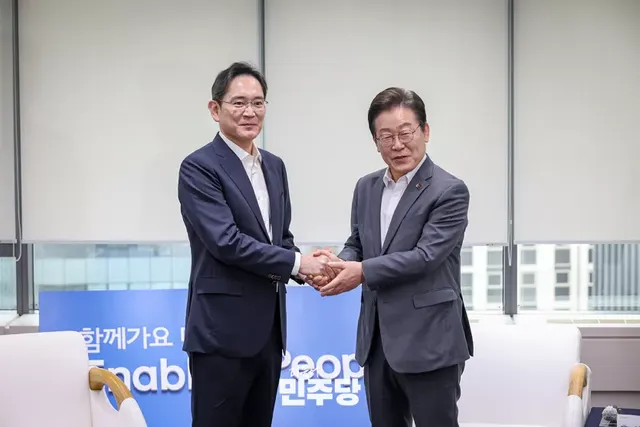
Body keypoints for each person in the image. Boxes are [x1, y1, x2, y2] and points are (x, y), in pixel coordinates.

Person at [178, 61, 332, 427]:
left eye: (258, 102)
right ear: (215, 109)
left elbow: (280, 238)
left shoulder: (274, 166)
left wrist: (308, 266)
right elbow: (226, 242)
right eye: (239, 102)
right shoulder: (199, 167)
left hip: (269, 333)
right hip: (220, 333)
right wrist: (299, 264)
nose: (250, 112)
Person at [311, 87, 474, 427]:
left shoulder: (449, 190)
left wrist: (361, 271)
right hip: (377, 342)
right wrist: (336, 264)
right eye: (386, 137)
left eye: (405, 133)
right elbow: (358, 243)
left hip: (430, 340)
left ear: (425, 131)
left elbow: (426, 256)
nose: (397, 145)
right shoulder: (366, 187)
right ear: (376, 142)